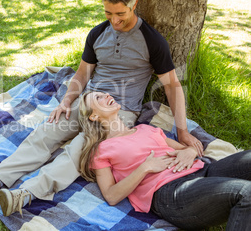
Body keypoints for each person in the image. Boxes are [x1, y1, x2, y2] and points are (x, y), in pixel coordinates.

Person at [0, 0, 204, 217]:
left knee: (80, 148)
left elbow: (172, 86)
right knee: (45, 134)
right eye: (108, 13)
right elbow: (81, 75)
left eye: (120, 13)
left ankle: (25, 194)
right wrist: (67, 101)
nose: (114, 20)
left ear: (135, 5)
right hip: (87, 102)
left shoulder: (152, 41)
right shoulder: (97, 34)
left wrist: (181, 132)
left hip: (119, 111)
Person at [78, 91, 251, 230]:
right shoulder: (101, 149)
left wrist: (190, 151)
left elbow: (184, 149)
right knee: (247, 193)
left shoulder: (146, 128)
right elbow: (111, 196)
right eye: (98, 97)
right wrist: (145, 168)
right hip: (172, 193)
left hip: (202, 171)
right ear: (93, 116)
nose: (107, 95)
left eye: (105, 93)